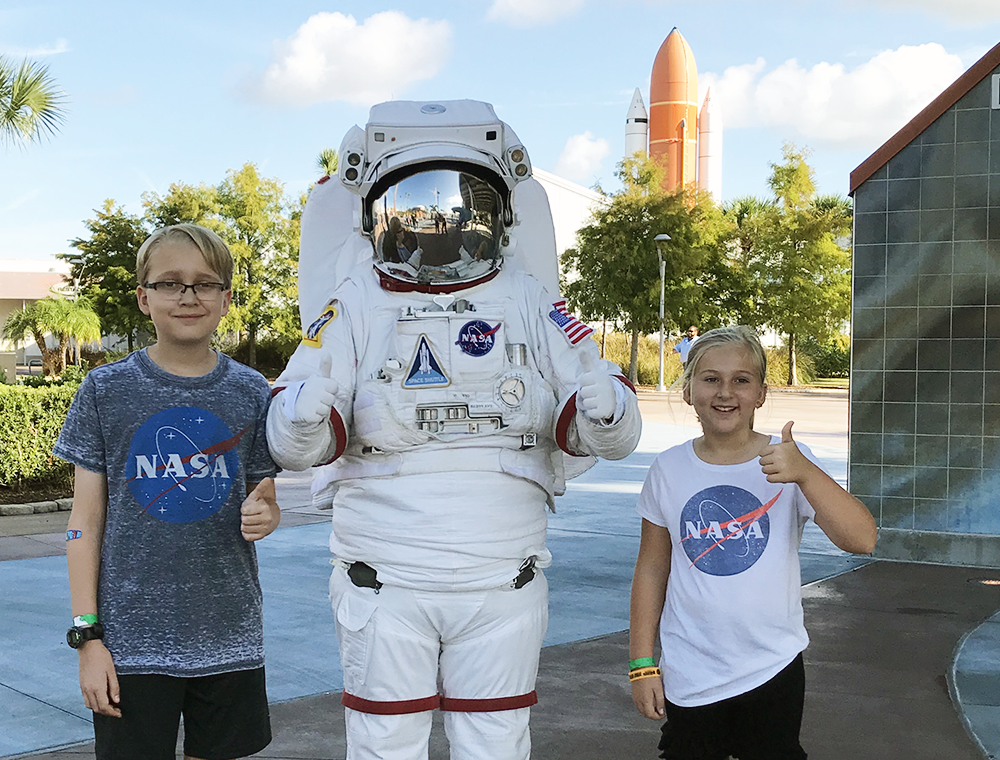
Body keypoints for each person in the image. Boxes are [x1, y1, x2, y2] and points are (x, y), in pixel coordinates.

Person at [267, 99, 643, 760]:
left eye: (457, 205)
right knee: (386, 743)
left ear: (498, 218)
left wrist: (606, 410)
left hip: (501, 578)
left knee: (495, 743)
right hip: (386, 573)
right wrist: (301, 416)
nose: (438, 223)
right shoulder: (354, 302)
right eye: (416, 205)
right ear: (377, 219)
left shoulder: (530, 298)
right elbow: (298, 432)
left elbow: (596, 417)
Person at [55, 223, 282, 760]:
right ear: (143, 296)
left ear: (226, 299)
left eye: (205, 283)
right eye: (170, 283)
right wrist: (88, 638)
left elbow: (265, 496)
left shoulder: (251, 391)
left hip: (230, 638)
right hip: (129, 649)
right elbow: (83, 523)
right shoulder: (105, 391)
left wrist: (267, 512)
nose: (188, 295)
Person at [629, 326, 876, 760]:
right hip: (691, 671)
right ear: (688, 391)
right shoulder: (668, 470)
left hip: (771, 666)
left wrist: (806, 472)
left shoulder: (788, 462)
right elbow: (652, 568)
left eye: (741, 380)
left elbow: (862, 539)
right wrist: (641, 664)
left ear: (761, 393)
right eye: (710, 378)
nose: (726, 392)